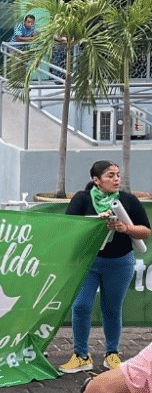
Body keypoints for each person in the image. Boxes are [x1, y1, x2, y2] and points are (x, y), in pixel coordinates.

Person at [58, 160, 150, 374]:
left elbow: (145, 231)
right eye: (110, 175)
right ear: (96, 180)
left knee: (111, 308)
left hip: (119, 262)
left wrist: (125, 228)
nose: (116, 179)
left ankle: (112, 354)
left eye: (117, 175)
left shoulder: (127, 200)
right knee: (80, 306)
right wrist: (94, 224)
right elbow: (68, 230)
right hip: (88, 263)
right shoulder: (81, 199)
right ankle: (81, 356)